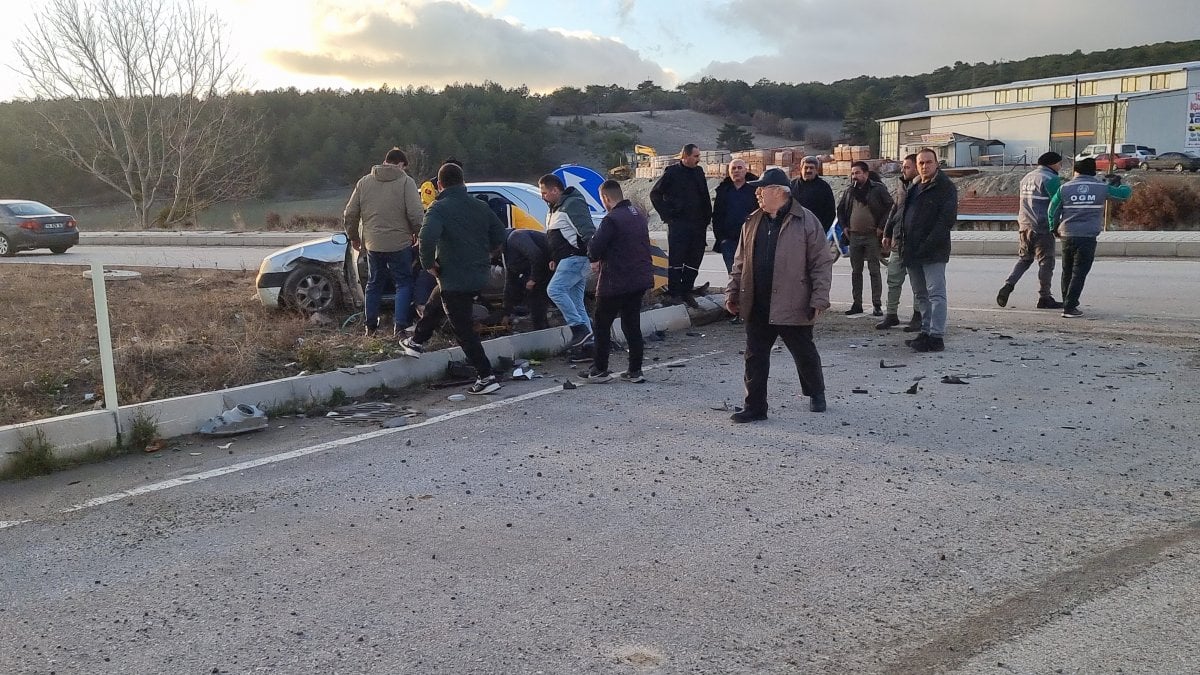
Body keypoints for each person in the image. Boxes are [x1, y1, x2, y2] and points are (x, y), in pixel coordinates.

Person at [724, 168, 834, 423]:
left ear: (779, 192)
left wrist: (819, 298)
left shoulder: (807, 221)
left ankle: (816, 392)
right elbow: (739, 262)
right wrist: (732, 292)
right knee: (754, 356)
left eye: (762, 189)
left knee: (803, 351)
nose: (758, 194)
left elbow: (821, 263)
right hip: (758, 301)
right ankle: (755, 407)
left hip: (793, 301)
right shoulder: (752, 221)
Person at [399, 162, 507, 395]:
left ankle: (486, 376)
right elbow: (500, 234)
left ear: (439, 184)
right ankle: (417, 342)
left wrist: (429, 264)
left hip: (454, 275)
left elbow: (426, 238)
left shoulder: (438, 208)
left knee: (462, 329)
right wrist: (486, 253)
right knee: (436, 300)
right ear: (463, 181)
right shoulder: (480, 206)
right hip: (478, 273)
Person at [343, 147, 424, 336]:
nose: (404, 170)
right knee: (403, 283)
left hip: (373, 245)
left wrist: (354, 237)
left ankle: (370, 326)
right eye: (404, 167)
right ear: (400, 164)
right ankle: (400, 326)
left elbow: (350, 213)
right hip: (400, 244)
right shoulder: (406, 182)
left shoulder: (364, 182)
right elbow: (415, 213)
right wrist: (419, 234)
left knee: (374, 283)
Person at [581, 180, 654, 384]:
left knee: (602, 324)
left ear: (606, 198)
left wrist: (594, 257)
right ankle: (635, 370)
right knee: (632, 324)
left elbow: (595, 248)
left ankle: (599, 369)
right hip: (639, 278)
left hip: (616, 280)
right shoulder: (637, 215)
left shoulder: (611, 219)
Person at [1048, 157, 1132, 318]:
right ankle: (1070, 307)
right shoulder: (1101, 187)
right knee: (1079, 271)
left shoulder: (1064, 188)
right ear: (1093, 171)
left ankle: (1068, 300)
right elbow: (1124, 195)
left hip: (1067, 234)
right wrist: (1118, 182)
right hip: (1087, 236)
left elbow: (1053, 210)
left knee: (1067, 270)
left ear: (1076, 171)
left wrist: (1053, 227)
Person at [900, 148, 957, 353]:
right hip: (912, 250)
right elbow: (904, 215)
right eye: (921, 163)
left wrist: (928, 244)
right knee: (920, 295)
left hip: (933, 250)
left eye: (928, 162)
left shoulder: (945, 187)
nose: (925, 166)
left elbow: (945, 221)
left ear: (936, 164)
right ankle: (925, 331)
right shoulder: (914, 187)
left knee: (936, 294)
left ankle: (936, 336)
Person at [997, 152, 1066, 309]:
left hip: (1024, 225)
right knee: (1046, 263)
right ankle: (1045, 297)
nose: (1060, 167)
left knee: (1025, 259)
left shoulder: (1027, 177)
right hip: (1042, 227)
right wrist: (1056, 226)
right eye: (1059, 164)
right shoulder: (1050, 179)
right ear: (1052, 164)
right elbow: (1057, 204)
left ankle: (1008, 285)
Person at [538, 173, 596, 348]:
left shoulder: (572, 204)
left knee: (555, 290)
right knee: (576, 301)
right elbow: (558, 235)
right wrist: (554, 258)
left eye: (544, 193)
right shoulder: (556, 208)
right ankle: (589, 344)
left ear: (555, 190)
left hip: (576, 259)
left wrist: (594, 257)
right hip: (568, 260)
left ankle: (579, 329)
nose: (542, 197)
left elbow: (587, 232)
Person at [650, 143, 712, 307]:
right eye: (695, 156)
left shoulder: (698, 172)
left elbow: (704, 196)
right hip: (679, 225)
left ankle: (687, 291)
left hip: (698, 226)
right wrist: (667, 215)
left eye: (699, 156)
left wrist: (707, 218)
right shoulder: (672, 173)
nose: (698, 159)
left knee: (694, 260)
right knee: (677, 260)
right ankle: (675, 293)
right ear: (685, 156)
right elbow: (655, 194)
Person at [836, 160, 895, 316]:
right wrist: (845, 227)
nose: (855, 176)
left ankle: (877, 304)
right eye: (853, 173)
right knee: (856, 271)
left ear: (866, 174)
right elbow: (840, 210)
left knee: (874, 270)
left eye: (858, 173)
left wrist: (882, 227)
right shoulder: (850, 191)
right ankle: (857, 304)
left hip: (872, 236)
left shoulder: (877, 189)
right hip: (854, 236)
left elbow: (890, 207)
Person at [878, 154, 920, 330]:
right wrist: (887, 232)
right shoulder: (902, 185)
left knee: (918, 283)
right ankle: (891, 314)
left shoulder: (923, 187)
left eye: (907, 167)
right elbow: (894, 210)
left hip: (915, 244)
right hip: (898, 241)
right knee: (893, 280)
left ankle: (918, 316)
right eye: (903, 167)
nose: (903, 170)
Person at [711, 159, 758, 274]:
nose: (736, 171)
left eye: (739, 168)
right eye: (733, 168)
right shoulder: (723, 190)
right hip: (729, 241)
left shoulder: (756, 189)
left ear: (745, 170)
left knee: (750, 274)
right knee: (733, 275)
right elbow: (716, 215)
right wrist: (721, 238)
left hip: (751, 239)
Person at [502, 228, 552, 330]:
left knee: (537, 298)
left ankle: (541, 329)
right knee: (534, 299)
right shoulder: (507, 252)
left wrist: (533, 279)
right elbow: (510, 282)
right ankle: (542, 328)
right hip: (543, 267)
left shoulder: (515, 237)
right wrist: (506, 312)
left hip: (551, 262)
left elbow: (536, 255)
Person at [789, 156, 836, 233]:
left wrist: (821, 230)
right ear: (801, 169)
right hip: (795, 231)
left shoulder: (824, 187)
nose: (808, 170)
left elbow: (830, 212)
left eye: (811, 168)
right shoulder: (792, 186)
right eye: (806, 167)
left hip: (816, 231)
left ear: (817, 170)